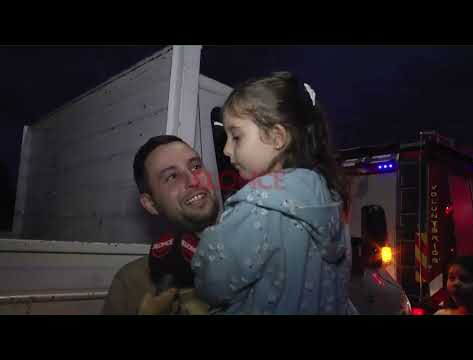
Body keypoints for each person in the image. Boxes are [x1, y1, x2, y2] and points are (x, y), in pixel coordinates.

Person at [192, 71, 356, 315]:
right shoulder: (329, 200)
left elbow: (211, 283)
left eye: (236, 136)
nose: (226, 149)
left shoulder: (256, 207)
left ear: (277, 137)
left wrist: (209, 238)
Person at [102, 135, 219, 315]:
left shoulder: (264, 245)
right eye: (172, 176)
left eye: (196, 166)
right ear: (150, 203)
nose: (193, 180)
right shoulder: (130, 282)